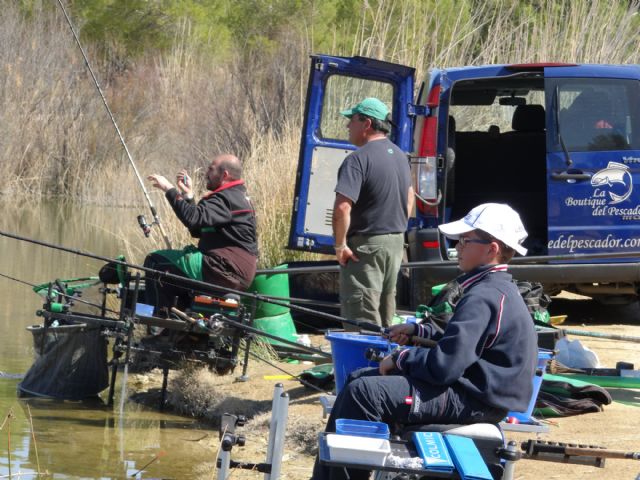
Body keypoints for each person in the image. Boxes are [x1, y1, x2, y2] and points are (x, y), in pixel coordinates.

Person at [312, 203, 537, 480]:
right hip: (476, 392)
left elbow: (445, 366)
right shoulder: (494, 288)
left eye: (465, 241)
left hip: (476, 399)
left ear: (491, 249)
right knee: (357, 379)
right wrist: (417, 330)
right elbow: (463, 337)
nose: (458, 247)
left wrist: (401, 358)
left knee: (365, 393)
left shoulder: (484, 295)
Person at [333, 97, 414, 329]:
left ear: (366, 123)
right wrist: (396, 228)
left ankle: (363, 363)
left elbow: (342, 208)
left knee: (361, 314)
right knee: (385, 308)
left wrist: (340, 246)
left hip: (367, 246)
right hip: (395, 244)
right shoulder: (400, 156)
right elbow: (410, 196)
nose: (348, 126)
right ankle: (386, 362)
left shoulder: (358, 159)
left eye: (352, 120)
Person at [144, 153, 258, 315]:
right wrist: (188, 196)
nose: (206, 174)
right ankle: (179, 329)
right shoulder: (235, 196)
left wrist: (169, 189)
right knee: (174, 276)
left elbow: (192, 219)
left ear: (224, 175)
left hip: (223, 269)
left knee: (155, 261)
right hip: (233, 271)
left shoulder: (226, 199)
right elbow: (197, 229)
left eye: (211, 170)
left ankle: (158, 324)